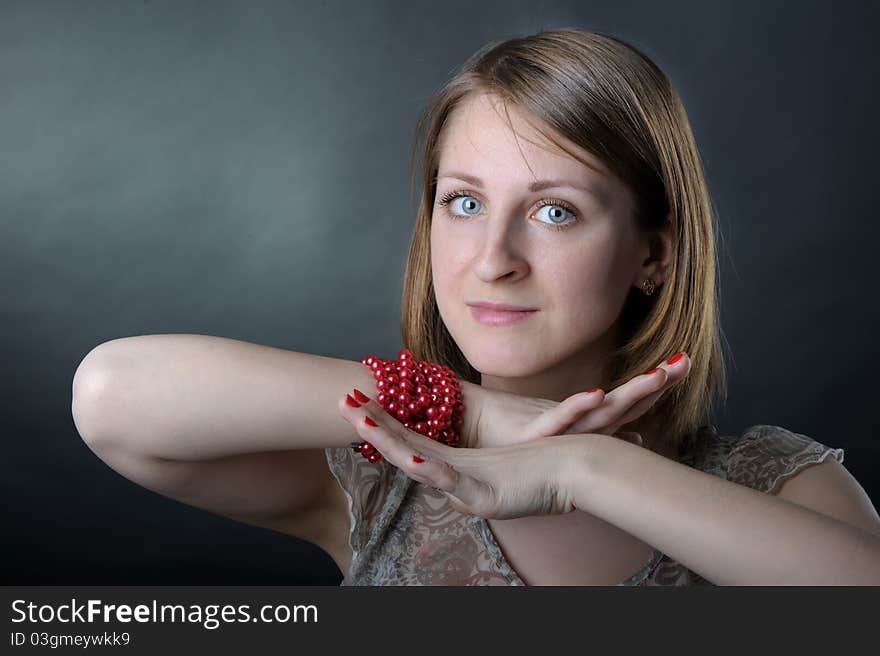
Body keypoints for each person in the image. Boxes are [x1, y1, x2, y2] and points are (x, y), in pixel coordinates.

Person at [71, 28, 880, 586]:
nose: (493, 260)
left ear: (653, 255)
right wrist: (483, 420)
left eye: (554, 211)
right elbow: (111, 394)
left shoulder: (777, 487)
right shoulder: (383, 475)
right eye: (463, 203)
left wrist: (581, 465)